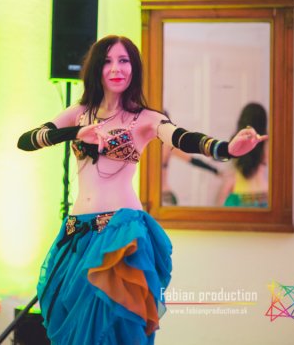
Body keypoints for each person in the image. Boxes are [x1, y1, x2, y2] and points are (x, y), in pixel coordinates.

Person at [17, 35, 266, 344]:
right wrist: (76, 132)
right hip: (76, 234)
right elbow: (26, 141)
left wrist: (226, 148)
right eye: (108, 61)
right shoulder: (79, 112)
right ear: (96, 68)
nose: (116, 68)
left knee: (113, 330)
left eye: (124, 61)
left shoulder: (145, 119)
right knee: (74, 329)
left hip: (120, 233)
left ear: (133, 68)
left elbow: (183, 138)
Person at [216, 102, 268, 208]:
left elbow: (231, 173)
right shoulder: (267, 143)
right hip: (262, 194)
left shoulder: (235, 141)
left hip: (239, 194)